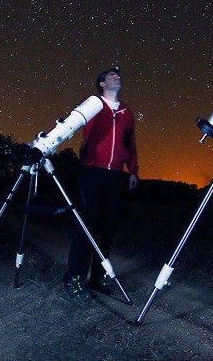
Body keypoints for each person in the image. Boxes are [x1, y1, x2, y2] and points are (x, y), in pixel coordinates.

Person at [63, 67, 139, 301]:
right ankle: (74, 277)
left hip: (115, 175)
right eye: (110, 75)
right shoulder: (93, 105)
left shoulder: (127, 112)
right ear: (102, 85)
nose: (117, 75)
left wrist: (133, 170)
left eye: (119, 74)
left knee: (108, 228)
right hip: (91, 171)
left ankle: (98, 277)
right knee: (87, 225)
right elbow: (77, 127)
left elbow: (130, 143)